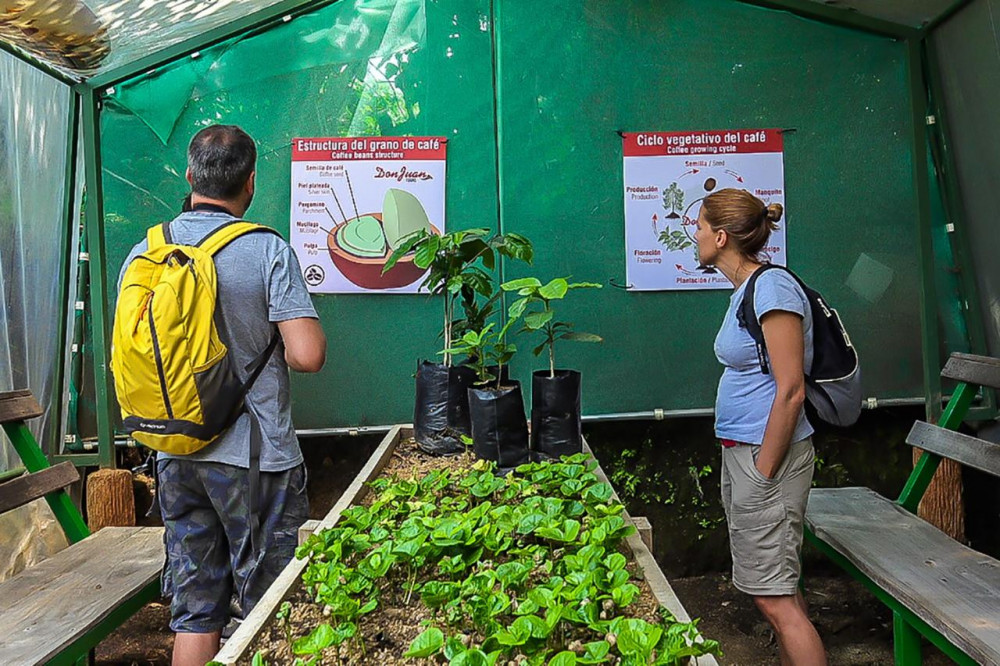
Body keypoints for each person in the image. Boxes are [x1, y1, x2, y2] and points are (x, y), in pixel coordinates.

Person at [117, 125, 327, 666]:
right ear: (251, 183)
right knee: (273, 607)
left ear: (190, 177)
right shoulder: (266, 250)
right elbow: (307, 356)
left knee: (196, 609)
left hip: (174, 454)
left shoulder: (146, 250)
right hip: (254, 462)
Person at [694, 188, 826, 665]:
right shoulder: (746, 291)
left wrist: (764, 469)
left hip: (765, 458)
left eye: (702, 227)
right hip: (745, 453)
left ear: (722, 236)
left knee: (775, 599)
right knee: (777, 590)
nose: (696, 235)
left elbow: (791, 389)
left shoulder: (771, 289)